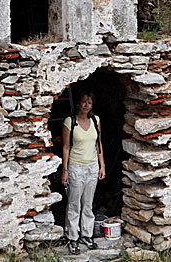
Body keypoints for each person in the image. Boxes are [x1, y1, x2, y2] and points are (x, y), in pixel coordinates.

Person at [62, 91, 106, 254]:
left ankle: (86, 235)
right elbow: (66, 147)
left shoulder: (96, 120)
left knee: (88, 204)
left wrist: (102, 165)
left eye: (90, 102)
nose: (87, 105)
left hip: (92, 166)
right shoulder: (70, 122)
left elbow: (98, 144)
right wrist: (65, 170)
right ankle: (73, 237)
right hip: (76, 167)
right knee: (74, 204)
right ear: (79, 104)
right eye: (84, 102)